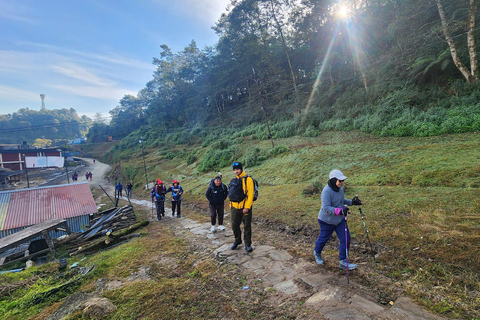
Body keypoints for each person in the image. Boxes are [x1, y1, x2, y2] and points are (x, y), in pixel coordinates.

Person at [314, 169, 362, 270]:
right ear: (333, 180)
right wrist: (339, 211)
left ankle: (343, 262)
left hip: (339, 220)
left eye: (342, 181)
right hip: (327, 221)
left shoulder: (340, 188)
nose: (341, 183)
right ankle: (317, 253)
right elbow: (325, 207)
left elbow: (341, 201)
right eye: (339, 181)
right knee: (324, 238)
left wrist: (352, 202)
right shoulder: (326, 191)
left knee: (346, 238)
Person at [229, 162, 254, 252]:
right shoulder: (233, 180)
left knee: (247, 226)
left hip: (245, 207)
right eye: (235, 170)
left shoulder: (248, 179)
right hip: (234, 207)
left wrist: (247, 207)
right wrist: (231, 205)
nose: (236, 171)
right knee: (234, 225)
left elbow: (250, 194)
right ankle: (237, 240)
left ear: (241, 169)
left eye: (238, 169)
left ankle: (247, 244)